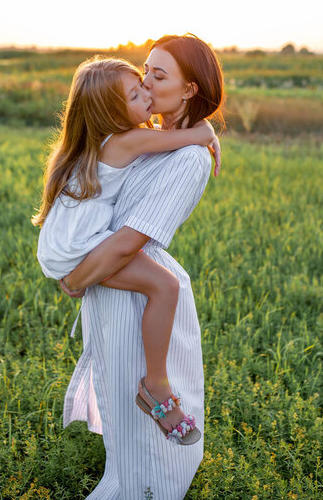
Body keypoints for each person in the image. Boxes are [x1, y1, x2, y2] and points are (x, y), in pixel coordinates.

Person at [59, 34, 225, 499]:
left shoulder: (189, 158)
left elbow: (131, 240)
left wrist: (75, 277)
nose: (144, 80)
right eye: (145, 69)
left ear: (189, 89)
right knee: (126, 431)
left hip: (138, 291)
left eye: (159, 73)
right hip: (114, 284)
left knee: (145, 455)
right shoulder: (143, 137)